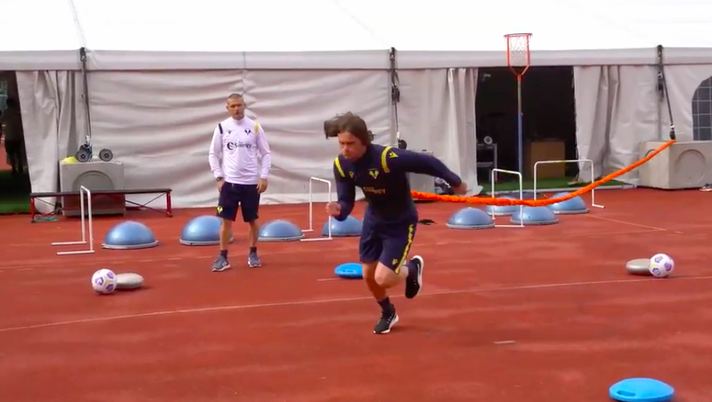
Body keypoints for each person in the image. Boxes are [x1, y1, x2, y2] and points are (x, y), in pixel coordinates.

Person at [324, 112, 467, 334]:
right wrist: (339, 210)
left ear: (364, 141)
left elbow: (427, 162)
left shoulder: (387, 158)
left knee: (384, 278)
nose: (345, 149)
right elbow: (347, 200)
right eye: (341, 144)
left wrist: (455, 181)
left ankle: (411, 269)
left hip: (400, 222)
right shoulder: (342, 165)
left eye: (350, 144)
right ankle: (388, 312)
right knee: (368, 275)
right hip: (373, 221)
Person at [208, 93, 272, 272]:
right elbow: (213, 154)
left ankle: (253, 253)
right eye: (233, 106)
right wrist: (218, 177)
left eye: (239, 105)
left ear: (244, 106)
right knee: (225, 221)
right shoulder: (222, 128)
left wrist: (264, 176)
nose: (237, 109)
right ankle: (223, 257)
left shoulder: (255, 127)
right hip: (230, 183)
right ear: (227, 108)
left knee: (252, 220)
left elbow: (266, 153)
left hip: (251, 183)